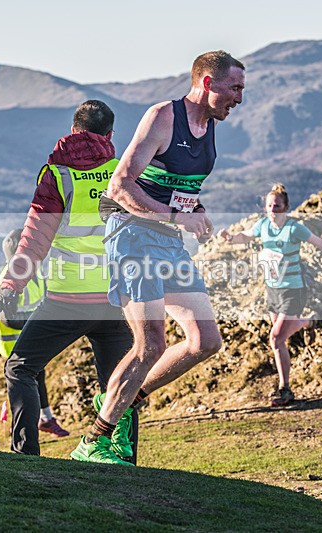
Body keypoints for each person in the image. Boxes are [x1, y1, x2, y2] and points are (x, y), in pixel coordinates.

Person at [69, 50, 244, 465]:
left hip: (166, 238)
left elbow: (176, 188)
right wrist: (177, 215)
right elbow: (120, 187)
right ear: (207, 83)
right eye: (234, 88)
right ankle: (94, 441)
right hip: (131, 233)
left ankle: (124, 397)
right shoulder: (164, 116)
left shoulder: (210, 125)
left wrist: (195, 213)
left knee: (205, 341)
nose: (239, 98)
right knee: (150, 345)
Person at [0, 100, 137, 463]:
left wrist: (12, 285)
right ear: (110, 135)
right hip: (114, 299)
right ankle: (126, 459)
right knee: (121, 382)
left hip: (67, 299)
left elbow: (34, 238)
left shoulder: (57, 175)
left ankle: (25, 456)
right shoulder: (121, 172)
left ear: (74, 131)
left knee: (20, 369)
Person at [218, 184, 322, 406]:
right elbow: (246, 236)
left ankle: (285, 389)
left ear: (286, 208)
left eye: (278, 206)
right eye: (270, 206)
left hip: (294, 290)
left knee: (275, 338)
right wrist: (230, 237)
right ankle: (306, 322)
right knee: (280, 341)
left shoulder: (294, 229)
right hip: (272, 290)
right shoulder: (263, 225)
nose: (273, 210)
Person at [0, 229, 68, 437]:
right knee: (26, 378)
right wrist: (40, 324)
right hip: (11, 342)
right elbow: (9, 318)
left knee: (36, 375)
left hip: (26, 335)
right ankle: (27, 423)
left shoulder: (35, 272)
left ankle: (43, 419)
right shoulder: (9, 283)